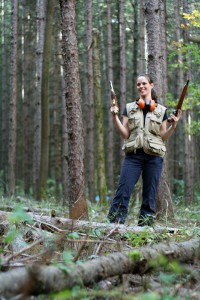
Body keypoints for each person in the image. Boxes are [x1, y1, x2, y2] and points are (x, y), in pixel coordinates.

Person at [107, 74, 181, 226]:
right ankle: (115, 223)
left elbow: (163, 136)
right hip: (133, 156)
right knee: (123, 189)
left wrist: (173, 126)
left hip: (154, 158)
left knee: (150, 193)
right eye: (138, 84)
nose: (141, 86)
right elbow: (125, 134)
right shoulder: (129, 108)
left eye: (144, 83)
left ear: (151, 85)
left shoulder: (161, 110)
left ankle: (145, 226)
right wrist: (114, 117)